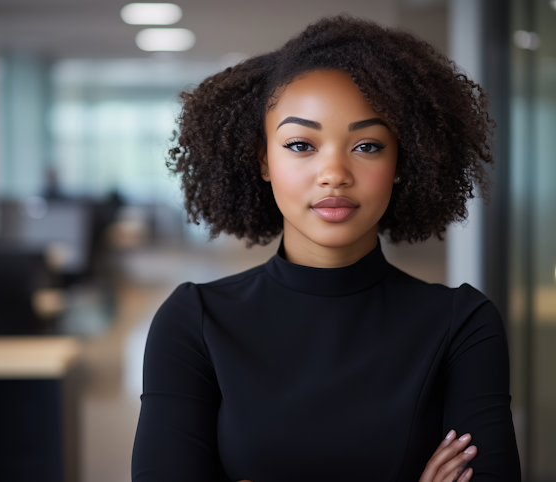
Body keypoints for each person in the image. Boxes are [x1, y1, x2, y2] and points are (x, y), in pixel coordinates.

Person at [132, 14, 521, 482]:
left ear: (402, 160)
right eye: (301, 144)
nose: (334, 173)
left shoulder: (463, 326)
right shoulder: (193, 321)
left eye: (368, 146)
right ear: (264, 161)